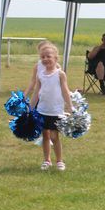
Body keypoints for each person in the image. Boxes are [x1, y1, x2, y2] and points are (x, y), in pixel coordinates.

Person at [29, 42, 73, 171]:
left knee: (54, 136)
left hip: (56, 111)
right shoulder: (40, 75)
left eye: (48, 56)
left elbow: (65, 91)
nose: (45, 59)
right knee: (45, 136)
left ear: (56, 58)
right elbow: (36, 92)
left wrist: (70, 106)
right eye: (43, 57)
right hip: (42, 110)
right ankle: (47, 160)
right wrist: (30, 108)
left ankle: (59, 161)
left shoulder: (60, 74)